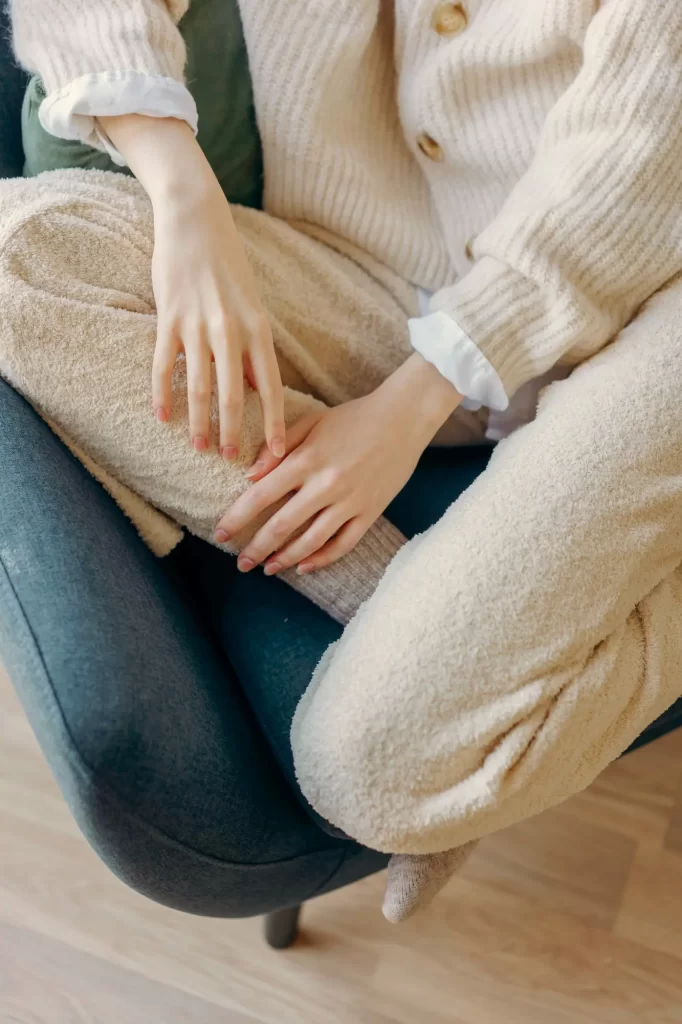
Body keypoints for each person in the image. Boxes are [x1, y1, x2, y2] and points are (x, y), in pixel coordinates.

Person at [3, 0, 682, 922]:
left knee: (365, 769)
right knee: (15, 255)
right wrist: (183, 192)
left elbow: (634, 171)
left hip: (646, 309)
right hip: (375, 272)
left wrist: (406, 410)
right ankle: (405, 604)